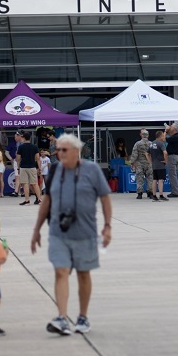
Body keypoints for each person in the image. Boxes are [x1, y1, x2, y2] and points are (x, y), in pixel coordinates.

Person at [30, 134, 113, 336]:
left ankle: (82, 317)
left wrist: (108, 226)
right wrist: (36, 230)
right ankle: (62, 317)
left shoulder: (92, 170)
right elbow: (47, 201)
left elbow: (105, 199)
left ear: (76, 151)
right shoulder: (56, 170)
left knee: (83, 273)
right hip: (59, 232)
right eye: (57, 150)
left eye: (63, 150)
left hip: (85, 232)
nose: (59, 153)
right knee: (61, 271)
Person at [14, 130, 42, 205]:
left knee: (25, 183)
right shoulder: (34, 147)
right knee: (35, 184)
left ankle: (27, 200)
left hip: (23, 166)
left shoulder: (21, 147)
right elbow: (38, 158)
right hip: (32, 166)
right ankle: (39, 199)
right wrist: (39, 168)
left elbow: (18, 159)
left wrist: (18, 167)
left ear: (23, 137)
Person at [129, 130, 154, 200]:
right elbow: (153, 154)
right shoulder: (151, 144)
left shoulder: (138, 144)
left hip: (140, 163)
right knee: (150, 178)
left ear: (142, 135)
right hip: (149, 163)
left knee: (139, 178)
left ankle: (139, 194)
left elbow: (134, 154)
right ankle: (150, 192)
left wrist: (132, 162)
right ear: (148, 135)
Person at [165, 124, 178, 198]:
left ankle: (175, 192)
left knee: (172, 174)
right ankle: (174, 190)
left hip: (172, 157)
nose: (171, 127)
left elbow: (165, 139)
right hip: (176, 156)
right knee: (173, 174)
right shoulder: (177, 136)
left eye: (172, 127)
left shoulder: (176, 137)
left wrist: (166, 131)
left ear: (175, 129)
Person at [149, 130, 168, 202]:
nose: (164, 137)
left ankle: (154, 195)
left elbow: (147, 153)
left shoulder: (152, 143)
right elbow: (165, 152)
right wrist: (165, 161)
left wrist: (150, 161)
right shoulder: (161, 143)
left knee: (154, 180)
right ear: (160, 136)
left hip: (154, 164)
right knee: (160, 180)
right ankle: (161, 195)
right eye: (163, 136)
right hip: (160, 164)